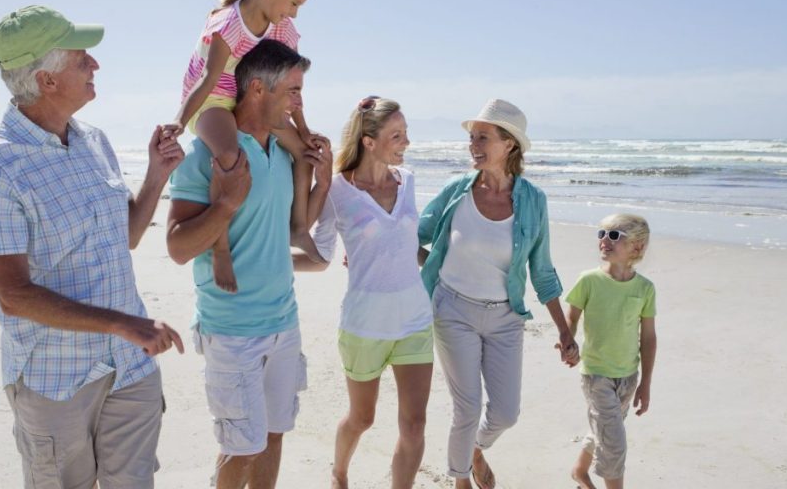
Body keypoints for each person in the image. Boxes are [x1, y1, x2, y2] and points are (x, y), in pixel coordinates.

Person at [0, 5, 185, 489]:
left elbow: (125, 235)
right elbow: (14, 296)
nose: (95, 65)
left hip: (130, 368)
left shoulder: (93, 140)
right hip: (56, 379)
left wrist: (156, 176)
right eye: (83, 58)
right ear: (47, 79)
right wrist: (125, 324)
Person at [166, 39, 332, 489]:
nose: (299, 103)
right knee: (241, 448)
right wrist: (225, 208)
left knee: (273, 436)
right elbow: (178, 247)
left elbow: (297, 227)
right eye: (293, 91)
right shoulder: (206, 155)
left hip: (284, 321)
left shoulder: (283, 153)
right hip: (232, 329)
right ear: (257, 89)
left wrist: (322, 172)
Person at [417, 99, 580, 489]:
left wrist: (564, 331)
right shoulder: (455, 192)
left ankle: (473, 450)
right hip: (453, 309)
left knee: (506, 412)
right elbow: (413, 236)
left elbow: (542, 270)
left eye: (483, 138)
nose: (473, 145)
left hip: (506, 317)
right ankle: (460, 481)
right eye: (472, 137)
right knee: (467, 407)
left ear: (509, 145)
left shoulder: (533, 201)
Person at [167, 0, 324, 294]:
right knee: (230, 157)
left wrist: (304, 129)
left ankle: (297, 227)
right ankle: (221, 248)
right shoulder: (227, 23)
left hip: (250, 98)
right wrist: (179, 122)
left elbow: (289, 82)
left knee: (304, 154)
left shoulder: (281, 30)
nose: (295, 14)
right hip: (212, 103)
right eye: (294, 3)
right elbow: (208, 80)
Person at [308, 97, 433, 489]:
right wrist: (266, 260)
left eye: (406, 133)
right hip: (364, 325)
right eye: (397, 135)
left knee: (414, 424)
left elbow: (408, 245)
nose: (406, 142)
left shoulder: (408, 180)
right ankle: (339, 471)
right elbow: (321, 255)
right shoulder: (336, 192)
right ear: (369, 141)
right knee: (363, 418)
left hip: (415, 319)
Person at [565, 214, 657, 489]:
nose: (605, 240)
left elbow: (649, 338)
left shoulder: (645, 288)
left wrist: (645, 383)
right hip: (596, 376)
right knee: (614, 442)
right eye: (602, 234)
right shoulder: (589, 281)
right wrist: (568, 342)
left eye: (614, 235)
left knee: (603, 430)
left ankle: (579, 472)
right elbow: (571, 318)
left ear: (637, 247)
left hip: (628, 376)